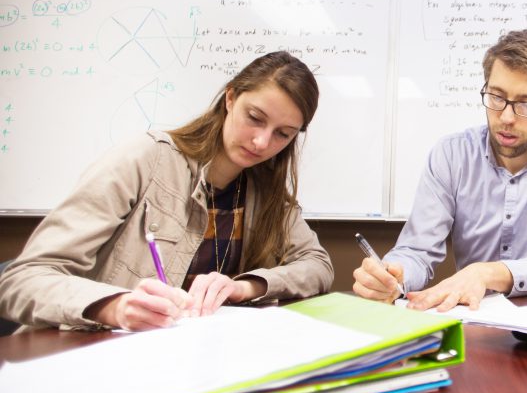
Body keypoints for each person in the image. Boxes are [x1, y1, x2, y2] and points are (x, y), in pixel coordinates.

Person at [0, 51, 333, 331]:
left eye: (283, 134)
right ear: (230, 98)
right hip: (97, 354)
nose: (262, 142)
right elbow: (22, 279)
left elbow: (318, 265)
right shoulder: (146, 159)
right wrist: (115, 307)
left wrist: (245, 286)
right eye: (255, 118)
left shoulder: (265, 191)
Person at [352, 29, 527, 312]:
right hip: (480, 317)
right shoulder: (451, 154)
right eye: (496, 97)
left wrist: (486, 273)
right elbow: (417, 250)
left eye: (526, 104)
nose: (507, 117)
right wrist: (394, 275)